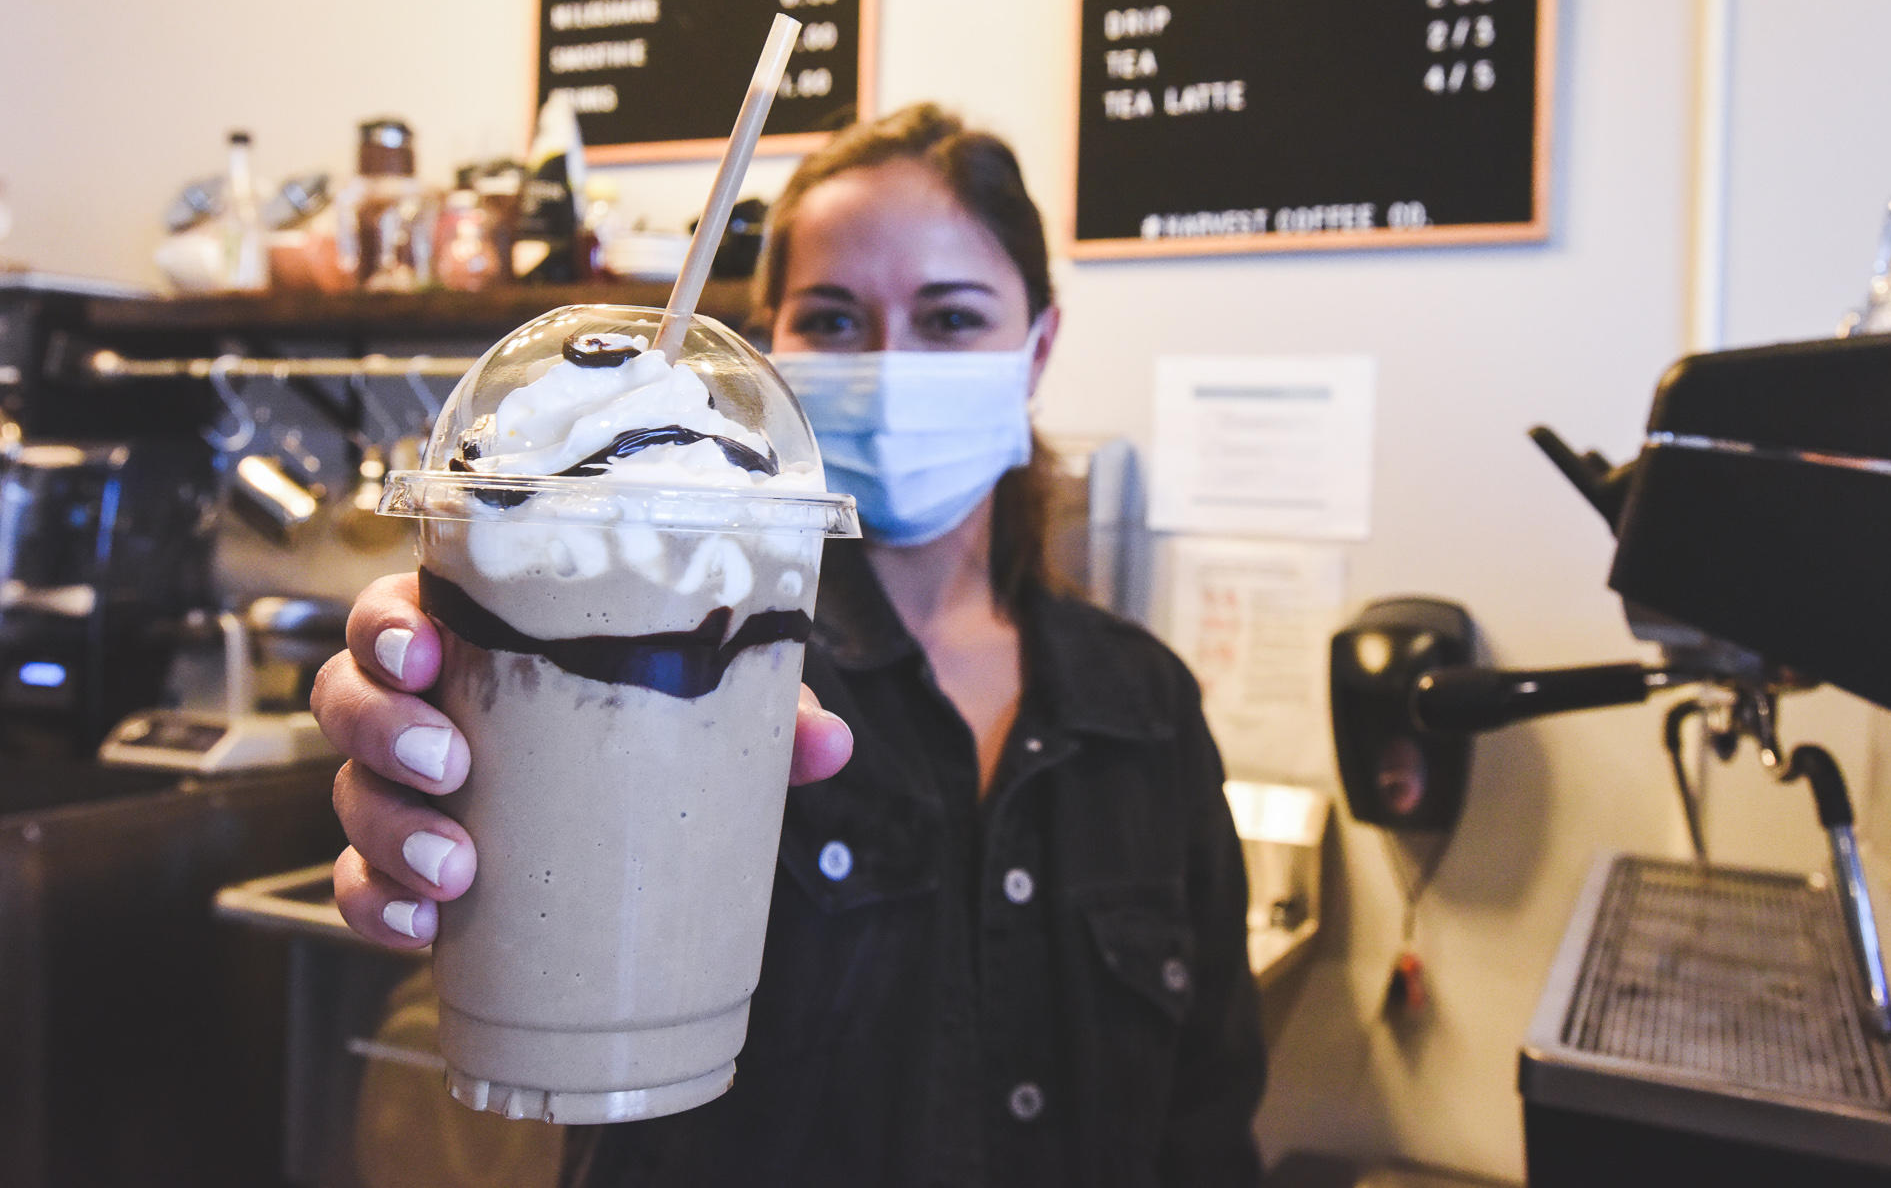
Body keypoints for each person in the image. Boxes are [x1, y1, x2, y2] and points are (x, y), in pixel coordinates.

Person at [312, 103, 1266, 1187]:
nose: (891, 362)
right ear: (770, 345)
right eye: (835, 319)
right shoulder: (704, 660)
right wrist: (447, 778)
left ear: (1035, 347)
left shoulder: (1141, 703)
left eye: (950, 319)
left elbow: (1209, 1110)